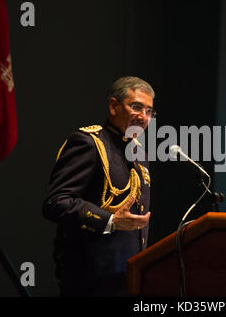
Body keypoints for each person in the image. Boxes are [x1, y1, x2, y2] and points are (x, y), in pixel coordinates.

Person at [42, 76, 155, 296]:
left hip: (127, 278)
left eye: (149, 111)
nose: (143, 117)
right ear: (113, 105)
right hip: (90, 279)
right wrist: (110, 221)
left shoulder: (139, 153)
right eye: (136, 107)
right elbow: (56, 202)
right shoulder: (89, 143)